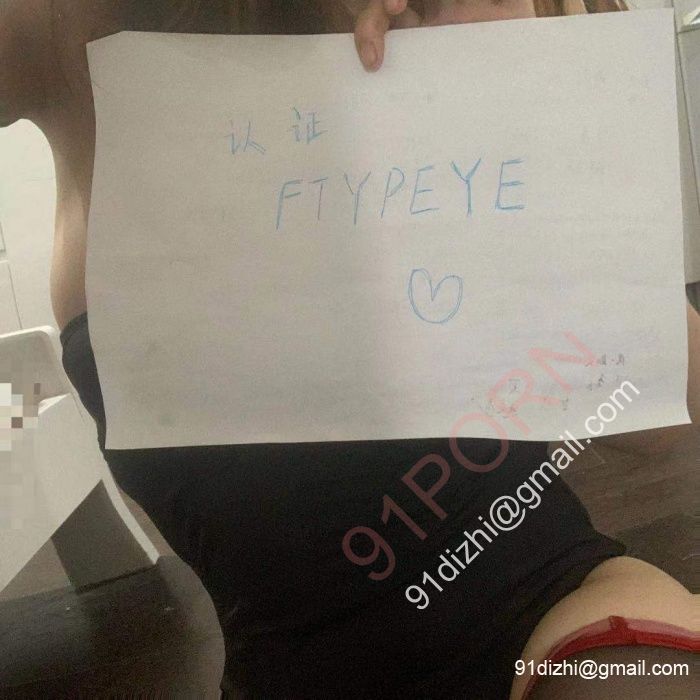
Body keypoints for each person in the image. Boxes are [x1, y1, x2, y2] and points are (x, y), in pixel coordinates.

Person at [1, 1, 697, 697]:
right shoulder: (60, 26)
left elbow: (659, 420)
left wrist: (524, 122)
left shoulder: (429, 11)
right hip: (284, 670)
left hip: (545, 612)